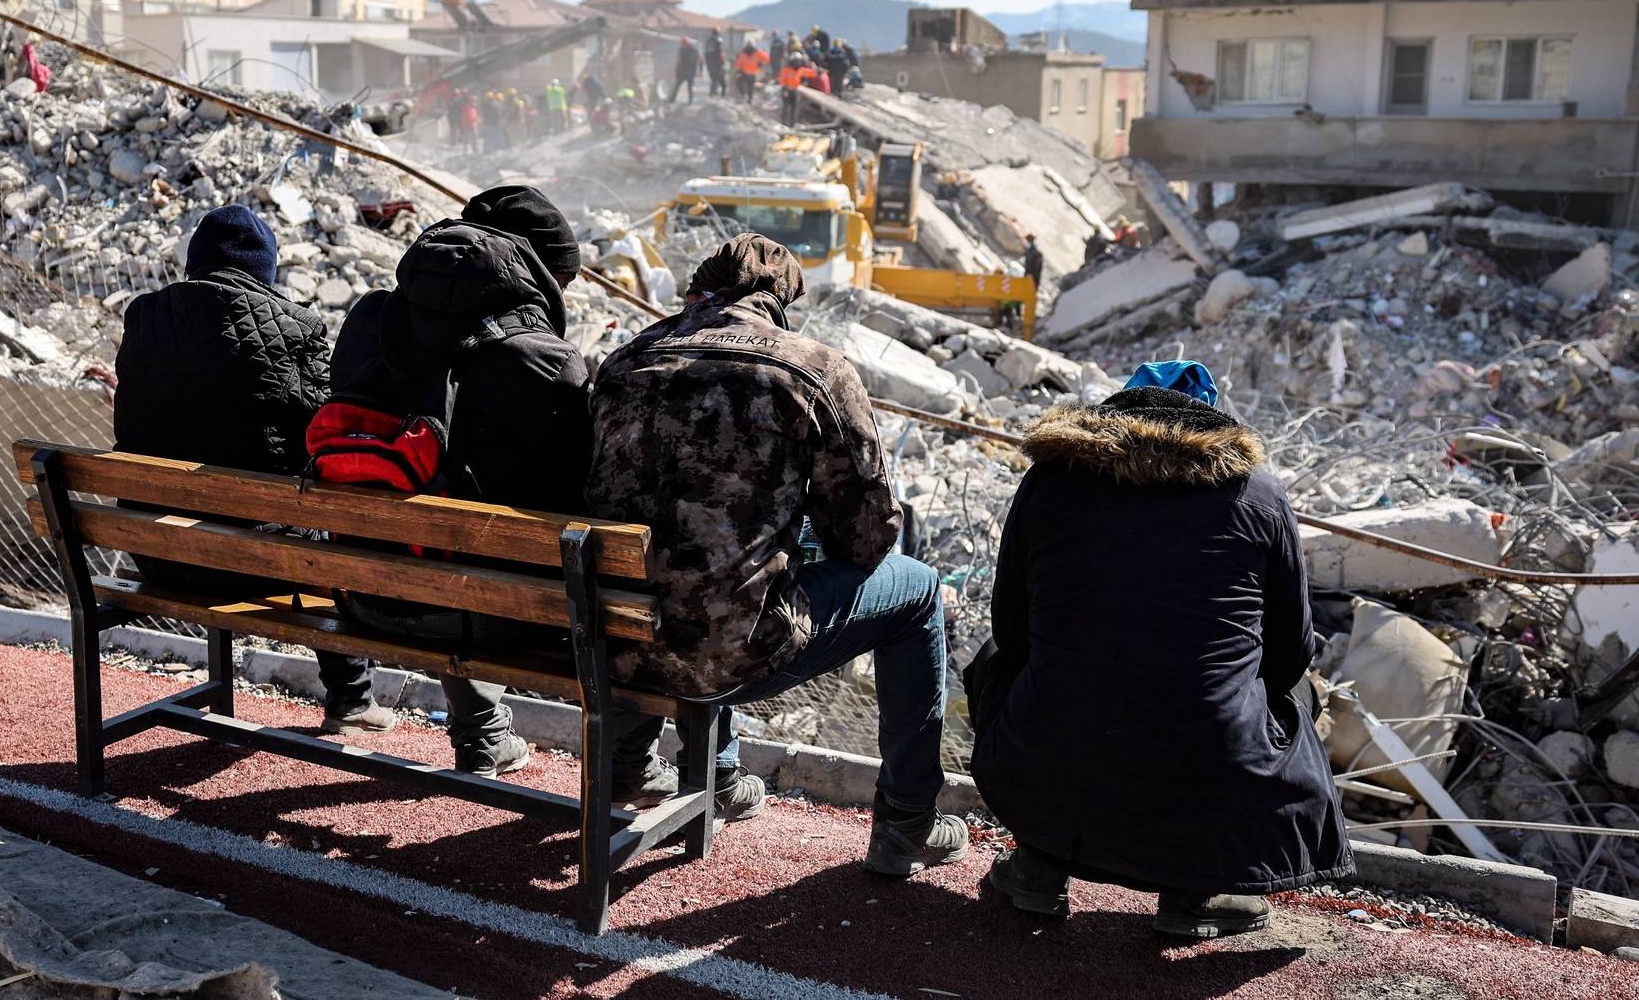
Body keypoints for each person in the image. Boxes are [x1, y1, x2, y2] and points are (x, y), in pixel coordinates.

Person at [591, 234, 970, 874]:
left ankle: (685, 767)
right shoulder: (810, 369)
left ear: (697, 291)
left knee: (695, 561)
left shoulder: (627, 359)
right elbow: (868, 537)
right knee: (918, 591)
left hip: (609, 635)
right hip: (730, 647)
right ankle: (908, 821)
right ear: (780, 302)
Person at [969, 361, 1352, 937]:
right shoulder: (1260, 495)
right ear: (1213, 420)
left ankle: (1038, 863)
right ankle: (1194, 888)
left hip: (1058, 735)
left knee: (999, 660)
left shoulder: (1050, 478)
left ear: (1118, 412)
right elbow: (1290, 651)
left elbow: (1012, 624)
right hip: (1207, 752)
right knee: (1282, 692)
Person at [327, 186, 592, 776]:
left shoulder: (368, 320)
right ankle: (637, 769)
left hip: (358, 592)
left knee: (452, 529)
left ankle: (483, 730)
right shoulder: (543, 361)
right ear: (537, 272)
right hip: (490, 617)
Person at [114, 205, 395, 737]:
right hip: (255, 563)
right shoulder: (296, 326)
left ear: (197, 262)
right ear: (265, 269)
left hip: (156, 552)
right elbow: (320, 442)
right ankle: (351, 698)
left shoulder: (143, 317)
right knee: (329, 527)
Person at [734, 38, 768, 103]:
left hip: (754, 73)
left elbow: (767, 58)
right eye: (748, 45)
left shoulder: (758, 52)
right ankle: (743, 94)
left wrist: (762, 63)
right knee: (738, 81)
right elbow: (738, 63)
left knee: (750, 86)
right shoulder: (743, 53)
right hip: (744, 72)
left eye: (751, 46)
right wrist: (739, 70)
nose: (749, 47)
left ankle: (750, 99)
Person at [669, 36, 700, 104]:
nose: (683, 45)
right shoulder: (682, 50)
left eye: (684, 44)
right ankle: (671, 100)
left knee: (689, 88)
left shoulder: (693, 51)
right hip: (683, 72)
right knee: (677, 86)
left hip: (689, 72)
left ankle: (690, 101)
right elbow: (679, 62)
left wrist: (698, 72)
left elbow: (696, 62)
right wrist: (677, 71)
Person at [777, 53, 806, 126]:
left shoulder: (800, 70)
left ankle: (792, 125)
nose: (798, 63)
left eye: (799, 61)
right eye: (796, 61)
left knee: (794, 109)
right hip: (786, 90)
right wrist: (785, 89)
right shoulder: (786, 69)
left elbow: (809, 72)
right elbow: (781, 80)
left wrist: (817, 71)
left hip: (795, 92)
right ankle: (782, 123)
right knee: (785, 108)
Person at [704, 26, 728, 96]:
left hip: (710, 64)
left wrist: (708, 63)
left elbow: (706, 53)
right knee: (720, 81)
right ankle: (714, 95)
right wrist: (723, 62)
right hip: (718, 64)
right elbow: (720, 52)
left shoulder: (708, 40)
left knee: (714, 79)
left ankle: (713, 94)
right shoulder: (718, 39)